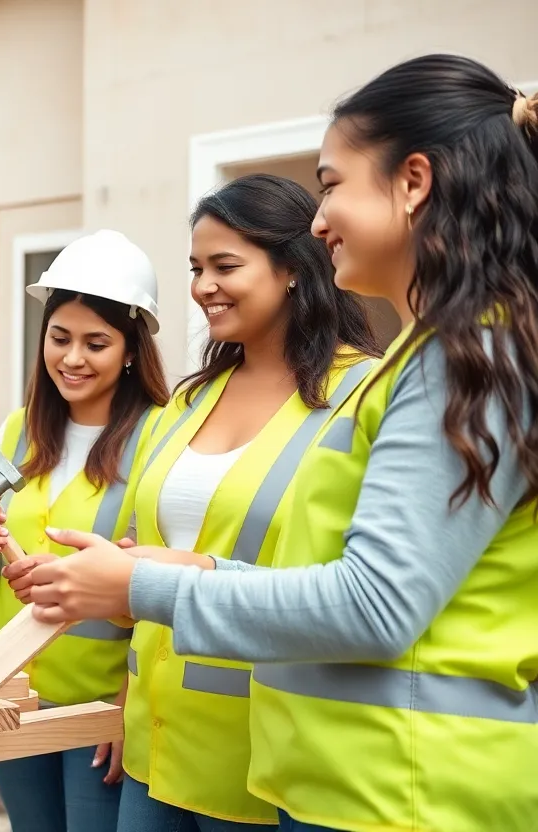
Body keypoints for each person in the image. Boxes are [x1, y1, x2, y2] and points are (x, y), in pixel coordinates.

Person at [9, 54, 538, 832]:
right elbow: (353, 572)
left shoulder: (464, 356)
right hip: (351, 780)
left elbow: (375, 604)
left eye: (331, 185)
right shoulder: (427, 356)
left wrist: (139, 590)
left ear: (414, 182)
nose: (319, 219)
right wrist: (190, 566)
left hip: (408, 790)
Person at [106, 174, 378, 832]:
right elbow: (142, 550)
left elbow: (349, 583)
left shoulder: (363, 392)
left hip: (262, 757)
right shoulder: (186, 401)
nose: (203, 286)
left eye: (225, 266)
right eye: (196, 268)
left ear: (292, 269)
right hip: (154, 739)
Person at [0, 229, 170, 832]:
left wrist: (136, 701)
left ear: (131, 349)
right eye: (59, 338)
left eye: (96, 343)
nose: (72, 359)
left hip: (100, 708)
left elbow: (169, 575)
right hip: (8, 692)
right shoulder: (18, 429)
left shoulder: (162, 438)